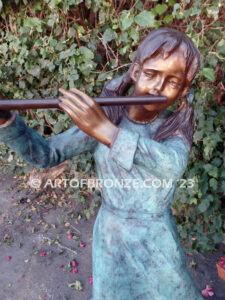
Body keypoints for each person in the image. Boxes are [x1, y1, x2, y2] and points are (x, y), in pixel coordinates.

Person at [0, 28, 203, 299]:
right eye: (151, 74)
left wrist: (106, 131)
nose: (157, 88)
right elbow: (45, 155)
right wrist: (6, 121)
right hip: (112, 237)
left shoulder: (170, 129)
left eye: (173, 82)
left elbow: (172, 164)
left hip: (157, 238)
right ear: (135, 71)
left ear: (184, 90)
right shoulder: (107, 118)